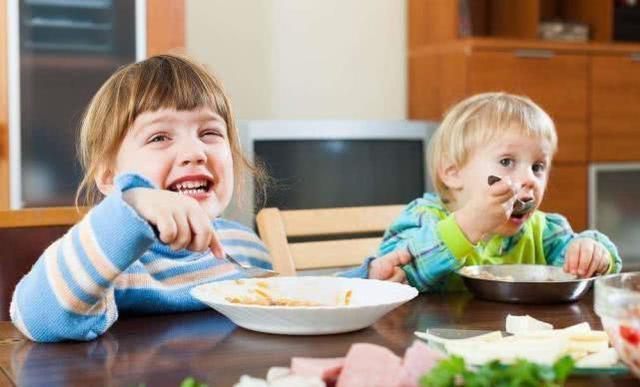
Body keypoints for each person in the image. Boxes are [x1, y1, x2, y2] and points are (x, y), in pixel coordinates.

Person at [10, 54, 407, 342]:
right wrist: (131, 208)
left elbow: (289, 304)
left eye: (210, 134)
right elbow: (39, 318)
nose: (194, 152)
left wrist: (365, 281)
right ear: (111, 178)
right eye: (160, 137)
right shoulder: (112, 260)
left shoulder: (242, 245)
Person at [378, 92, 622, 293]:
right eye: (506, 162)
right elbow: (391, 271)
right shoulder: (423, 218)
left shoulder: (544, 232)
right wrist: (469, 224)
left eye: (537, 167)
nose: (529, 179)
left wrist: (591, 253)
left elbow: (579, 267)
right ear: (452, 172)